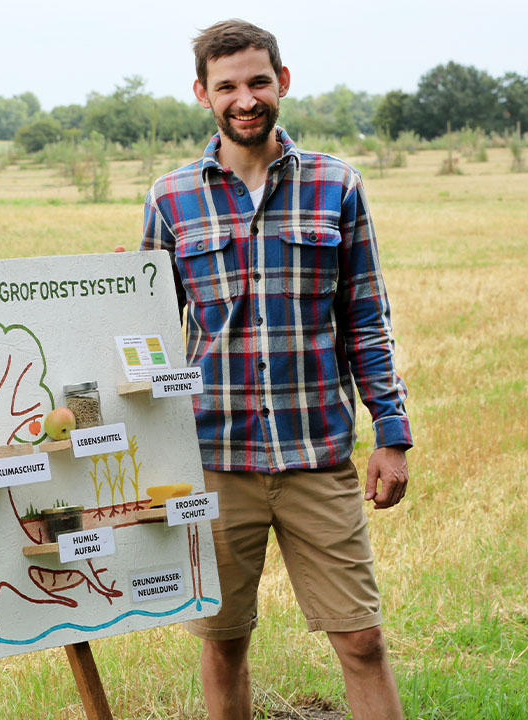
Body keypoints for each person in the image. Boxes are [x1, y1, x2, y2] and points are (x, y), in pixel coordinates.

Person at [140, 20, 412, 720]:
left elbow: (366, 319)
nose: (245, 98)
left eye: (258, 81)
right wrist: (121, 286)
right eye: (226, 85)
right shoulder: (170, 198)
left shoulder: (336, 185)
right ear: (202, 94)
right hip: (215, 460)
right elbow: (146, 335)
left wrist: (392, 433)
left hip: (315, 458)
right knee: (224, 641)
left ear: (282, 83)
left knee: (362, 640)